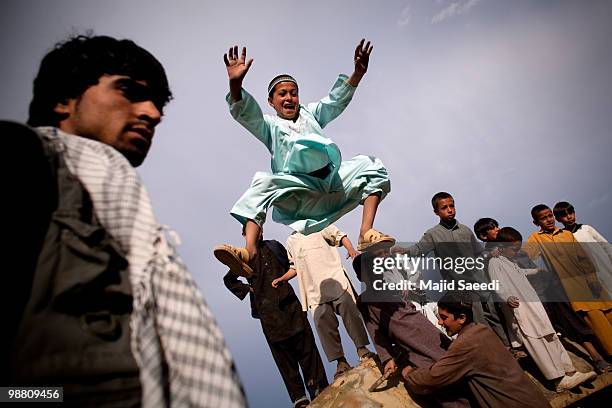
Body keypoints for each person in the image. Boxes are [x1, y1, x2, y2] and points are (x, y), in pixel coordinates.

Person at [3, 35, 245, 407]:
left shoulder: (133, 222)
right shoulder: (22, 156)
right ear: (63, 100)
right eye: (129, 91)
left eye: (158, 103)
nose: (153, 113)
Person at [213, 39, 394, 277]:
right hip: (299, 190)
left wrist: (357, 74)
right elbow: (247, 113)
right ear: (271, 102)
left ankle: (366, 232)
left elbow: (335, 101)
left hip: (330, 183)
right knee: (262, 183)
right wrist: (235, 84)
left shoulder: (311, 115)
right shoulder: (270, 126)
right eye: (282, 94)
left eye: (293, 93)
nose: (289, 98)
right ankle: (249, 253)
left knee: (371, 165)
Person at [223, 227, 327, 408]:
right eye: (250, 231)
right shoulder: (242, 256)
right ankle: (299, 398)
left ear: (261, 231)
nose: (256, 233)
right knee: (283, 357)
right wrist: (249, 289)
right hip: (267, 313)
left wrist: (284, 279)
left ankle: (319, 387)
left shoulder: (274, 246)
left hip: (290, 305)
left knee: (307, 347)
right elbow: (229, 280)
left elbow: (292, 265)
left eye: (258, 229)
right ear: (244, 235)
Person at [353, 250, 470, 408]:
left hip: (426, 330)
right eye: (371, 269)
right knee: (437, 382)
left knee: (455, 367)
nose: (377, 271)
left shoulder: (394, 286)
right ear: (362, 277)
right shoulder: (364, 301)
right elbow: (374, 330)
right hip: (409, 343)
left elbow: (411, 303)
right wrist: (387, 357)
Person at [393, 192, 510, 347]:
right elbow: (419, 248)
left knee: (495, 316)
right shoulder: (433, 234)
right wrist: (406, 251)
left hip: (480, 281)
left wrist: (489, 254)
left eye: (452, 206)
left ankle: (508, 349)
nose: (450, 210)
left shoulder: (465, 230)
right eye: (444, 208)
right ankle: (494, 352)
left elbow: (479, 252)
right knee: (478, 321)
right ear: (436, 212)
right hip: (461, 287)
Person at [489, 227, 596, 391]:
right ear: (502, 247)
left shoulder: (510, 261)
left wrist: (536, 270)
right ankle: (557, 379)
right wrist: (507, 297)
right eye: (513, 249)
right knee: (536, 342)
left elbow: (520, 272)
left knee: (550, 335)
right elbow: (496, 284)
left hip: (533, 305)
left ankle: (569, 371)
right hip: (519, 308)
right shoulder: (494, 262)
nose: (516, 252)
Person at [403, 292, 552, 408]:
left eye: (444, 317)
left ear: (461, 318)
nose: (440, 322)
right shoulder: (482, 330)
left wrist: (410, 374)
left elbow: (432, 378)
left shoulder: (466, 343)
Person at [272, 224, 374, 379]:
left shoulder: (321, 225)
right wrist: (283, 278)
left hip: (336, 280)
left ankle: (362, 349)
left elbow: (340, 236)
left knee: (351, 312)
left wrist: (351, 249)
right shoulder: (291, 240)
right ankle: (341, 362)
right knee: (323, 324)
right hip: (314, 291)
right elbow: (294, 267)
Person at [525, 204, 612, 361]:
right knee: (599, 325)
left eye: (550, 216)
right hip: (573, 289)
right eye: (543, 218)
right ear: (536, 223)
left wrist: (593, 279)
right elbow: (525, 255)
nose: (549, 220)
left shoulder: (566, 234)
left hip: (592, 283)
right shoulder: (536, 239)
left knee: (609, 313)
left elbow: (583, 258)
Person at [554, 201, 612, 298]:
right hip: (591, 274)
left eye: (571, 213)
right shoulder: (564, 237)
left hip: (606, 265)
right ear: (558, 219)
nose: (569, 217)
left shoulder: (586, 228)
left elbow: (606, 246)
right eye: (564, 215)